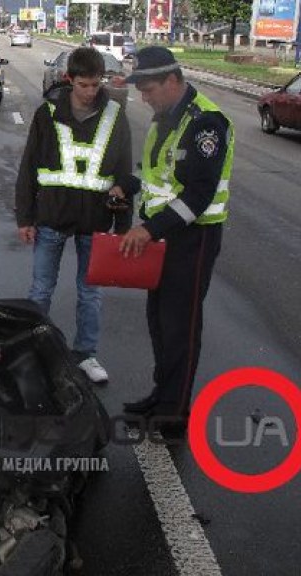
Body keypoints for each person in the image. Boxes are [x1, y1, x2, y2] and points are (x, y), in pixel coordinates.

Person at [119, 47, 233, 430]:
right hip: (164, 236)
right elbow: (160, 179)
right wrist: (128, 187)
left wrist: (148, 230)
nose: (144, 97)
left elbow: (199, 196)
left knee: (180, 326)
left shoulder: (205, 123)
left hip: (193, 240)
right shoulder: (166, 117)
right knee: (158, 321)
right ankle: (162, 395)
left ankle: (174, 412)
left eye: (149, 89)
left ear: (172, 81)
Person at [15, 47, 135, 384]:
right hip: (51, 217)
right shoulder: (47, 114)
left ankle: (86, 354)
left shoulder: (115, 116)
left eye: (96, 85)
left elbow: (124, 176)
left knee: (90, 293)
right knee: (40, 290)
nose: (90, 92)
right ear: (70, 80)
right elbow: (28, 168)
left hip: (95, 222)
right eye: (84, 85)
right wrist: (24, 218)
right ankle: (34, 350)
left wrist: (123, 226)